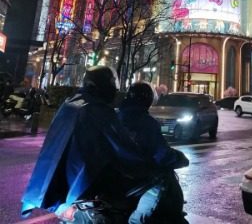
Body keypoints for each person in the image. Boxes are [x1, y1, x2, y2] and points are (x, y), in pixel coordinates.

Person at [21, 66, 157, 223]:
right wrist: (149, 163)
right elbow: (125, 149)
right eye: (112, 84)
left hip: (57, 191)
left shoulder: (69, 104)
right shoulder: (99, 111)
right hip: (86, 190)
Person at [119, 82, 189, 223]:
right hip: (139, 175)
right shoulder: (145, 122)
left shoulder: (117, 116)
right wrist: (180, 158)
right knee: (163, 186)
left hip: (119, 173)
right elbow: (162, 155)